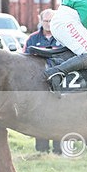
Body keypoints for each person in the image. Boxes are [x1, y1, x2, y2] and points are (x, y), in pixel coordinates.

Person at [25, 9, 62, 154]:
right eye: (45, 21)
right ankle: (41, 151)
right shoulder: (32, 39)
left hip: (59, 84)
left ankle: (58, 150)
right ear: (40, 21)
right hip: (39, 84)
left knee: (58, 117)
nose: (48, 24)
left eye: (51, 21)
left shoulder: (63, 37)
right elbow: (24, 60)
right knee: (40, 117)